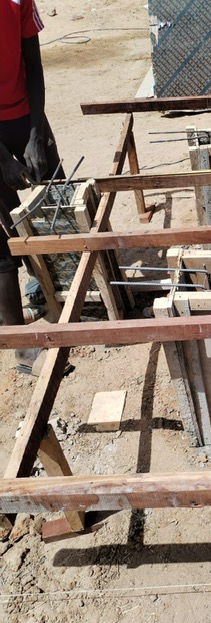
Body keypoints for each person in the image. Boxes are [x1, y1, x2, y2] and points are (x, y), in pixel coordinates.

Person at [0, 0, 67, 374]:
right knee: (3, 241)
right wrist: (2, 160)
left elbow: (34, 65)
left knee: (58, 201)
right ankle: (21, 347)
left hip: (23, 113)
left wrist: (35, 134)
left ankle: (62, 293)